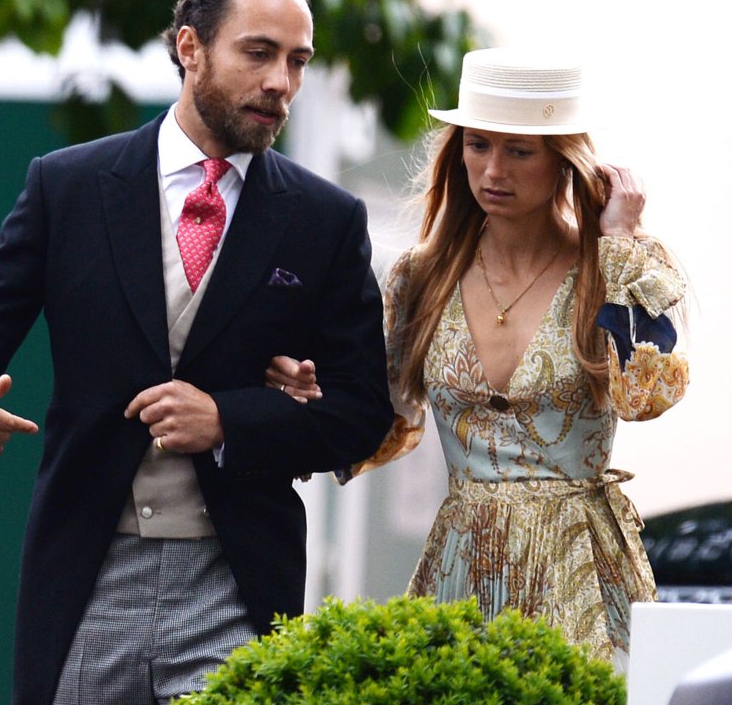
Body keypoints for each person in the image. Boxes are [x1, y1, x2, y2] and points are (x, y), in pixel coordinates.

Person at [0, 0, 393, 705]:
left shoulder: (324, 219)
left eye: (298, 63)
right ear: (190, 48)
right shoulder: (68, 186)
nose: (280, 83)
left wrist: (231, 419)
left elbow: (361, 412)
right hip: (87, 579)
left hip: (231, 581)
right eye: (260, 53)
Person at [268, 47, 688, 671]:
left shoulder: (614, 268)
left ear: (563, 159)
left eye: (519, 151)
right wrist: (305, 396)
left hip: (582, 571)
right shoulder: (421, 275)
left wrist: (621, 241)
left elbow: (647, 398)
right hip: (461, 565)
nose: (493, 170)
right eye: (477, 145)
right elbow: (382, 421)